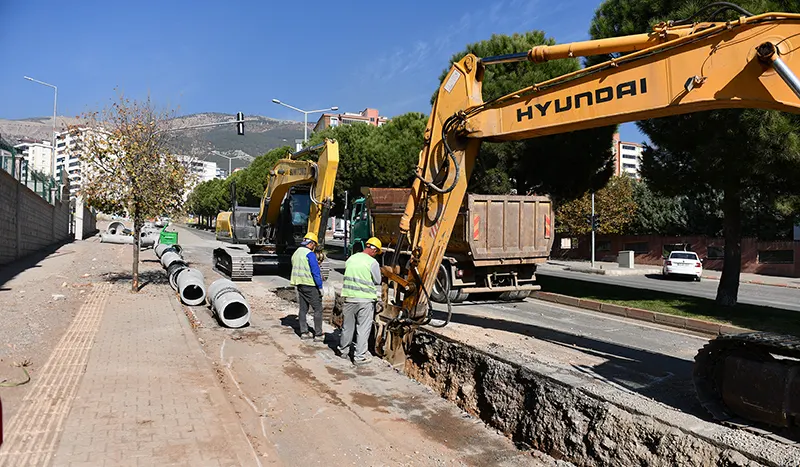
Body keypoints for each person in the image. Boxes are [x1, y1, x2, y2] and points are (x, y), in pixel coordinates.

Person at [337, 237, 382, 365]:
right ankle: (359, 357)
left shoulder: (351, 258)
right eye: (376, 252)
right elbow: (378, 280)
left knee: (347, 327)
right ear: (374, 250)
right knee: (363, 328)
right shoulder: (372, 263)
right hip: (365, 300)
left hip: (349, 298)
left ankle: (343, 352)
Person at [290, 232, 324, 341]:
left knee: (303, 309)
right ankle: (318, 334)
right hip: (310, 285)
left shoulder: (296, 253)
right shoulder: (309, 254)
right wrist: (320, 287)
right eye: (314, 245)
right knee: (318, 309)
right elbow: (315, 272)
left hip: (299, 284)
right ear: (311, 244)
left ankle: (304, 332)